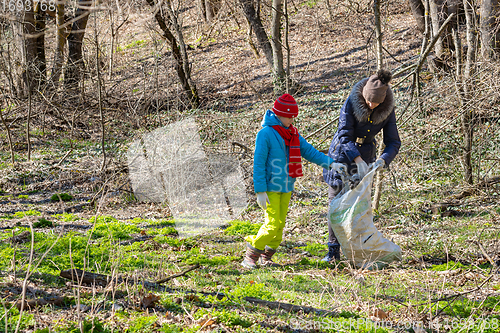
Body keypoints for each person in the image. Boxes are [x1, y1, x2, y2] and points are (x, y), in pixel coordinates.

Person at [242, 94, 345, 269]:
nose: (292, 119)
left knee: (280, 226)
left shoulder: (292, 134)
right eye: (289, 116)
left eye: (293, 117)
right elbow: (258, 164)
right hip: (270, 188)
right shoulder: (265, 134)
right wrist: (259, 190)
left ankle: (266, 256)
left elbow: (310, 152)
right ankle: (251, 254)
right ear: (279, 114)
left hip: (286, 186)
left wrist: (332, 164)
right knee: (272, 224)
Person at [322, 69, 401, 262]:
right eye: (368, 101)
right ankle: (333, 252)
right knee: (336, 203)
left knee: (357, 206)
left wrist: (383, 160)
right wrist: (356, 160)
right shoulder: (351, 101)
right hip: (341, 155)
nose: (371, 104)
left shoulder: (387, 110)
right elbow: (344, 134)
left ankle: (356, 250)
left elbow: (394, 141)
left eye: (375, 102)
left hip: (367, 156)